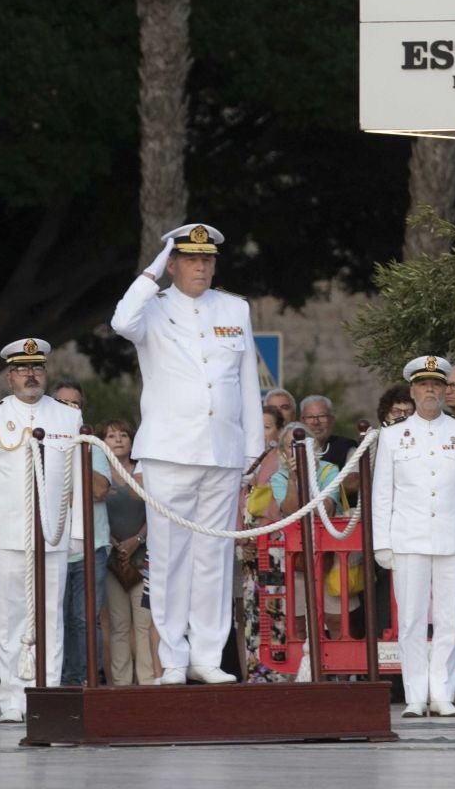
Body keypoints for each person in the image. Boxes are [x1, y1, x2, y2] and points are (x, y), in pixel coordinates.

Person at [111, 222, 265, 685]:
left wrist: (252, 449)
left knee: (214, 557)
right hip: (170, 452)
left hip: (222, 451)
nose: (201, 267)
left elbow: (247, 382)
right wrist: (155, 265)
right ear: (174, 264)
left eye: (208, 259)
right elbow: (120, 321)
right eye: (191, 259)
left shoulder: (234, 308)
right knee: (170, 556)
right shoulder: (151, 310)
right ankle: (174, 659)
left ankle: (206, 656)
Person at [0, 338, 84, 720]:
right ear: (9, 375)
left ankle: (46, 693)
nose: (30, 376)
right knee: (10, 619)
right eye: (22, 369)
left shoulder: (67, 415)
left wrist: (79, 530)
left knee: (52, 616)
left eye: (37, 368)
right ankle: (13, 700)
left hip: (53, 533)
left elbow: (78, 480)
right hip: (7, 534)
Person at [372, 356, 455, 718]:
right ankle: (415, 695)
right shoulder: (392, 436)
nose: (430, 391)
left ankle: (442, 692)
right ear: (413, 390)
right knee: (409, 621)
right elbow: (382, 495)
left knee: (449, 619)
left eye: (437, 385)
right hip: (408, 538)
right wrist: (382, 542)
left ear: (445, 391)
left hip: (453, 537)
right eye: (424, 385)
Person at [52, 378, 110, 687]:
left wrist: (73, 462)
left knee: (84, 619)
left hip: (91, 547)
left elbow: (100, 490)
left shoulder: (92, 445)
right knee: (57, 621)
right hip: (53, 546)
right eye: (62, 404)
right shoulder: (42, 445)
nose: (69, 409)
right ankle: (64, 682)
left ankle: (87, 681)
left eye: (74, 404)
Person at [99, 419, 154, 686]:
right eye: (111, 436)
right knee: (118, 624)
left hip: (143, 556)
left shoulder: (144, 473)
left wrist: (138, 538)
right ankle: (121, 683)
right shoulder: (98, 475)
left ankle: (146, 681)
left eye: (123, 435)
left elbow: (156, 511)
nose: (118, 440)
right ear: (102, 442)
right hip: (111, 558)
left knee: (143, 623)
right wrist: (113, 542)